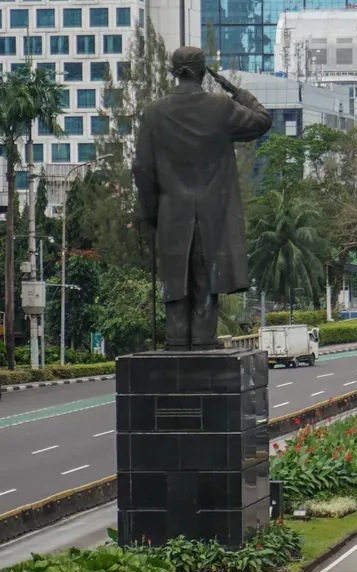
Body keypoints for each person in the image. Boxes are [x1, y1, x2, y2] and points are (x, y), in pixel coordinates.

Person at [131, 47, 272, 350]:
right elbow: (262, 121)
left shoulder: (154, 113)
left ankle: (176, 341)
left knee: (175, 283)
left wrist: (151, 213)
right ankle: (205, 342)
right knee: (206, 280)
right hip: (213, 216)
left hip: (171, 214)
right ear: (201, 71)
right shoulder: (220, 108)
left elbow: (141, 167)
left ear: (174, 71)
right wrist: (235, 90)